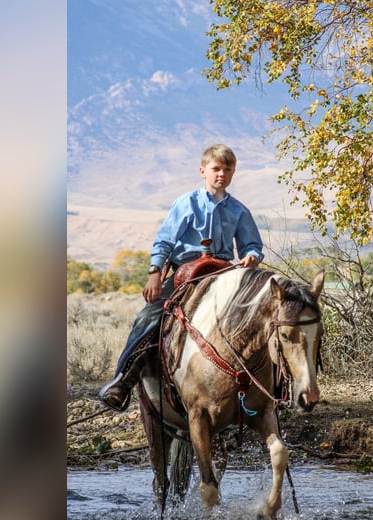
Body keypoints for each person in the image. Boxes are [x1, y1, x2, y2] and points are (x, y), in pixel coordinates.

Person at [98, 144, 265, 412]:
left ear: (234, 173)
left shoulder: (239, 211)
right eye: (216, 169)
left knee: (262, 314)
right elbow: (164, 241)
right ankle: (123, 381)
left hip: (223, 273)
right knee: (150, 316)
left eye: (228, 169)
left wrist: (252, 256)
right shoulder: (186, 203)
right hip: (185, 274)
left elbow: (252, 245)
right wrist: (154, 274)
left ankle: (271, 389)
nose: (221, 174)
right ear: (203, 171)